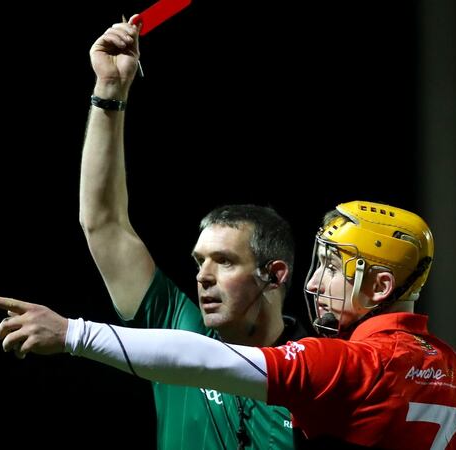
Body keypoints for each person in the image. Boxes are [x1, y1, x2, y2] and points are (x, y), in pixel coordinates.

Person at [0, 200, 456, 449]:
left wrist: (76, 333)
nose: (318, 281)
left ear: (382, 288)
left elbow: (201, 356)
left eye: (335, 266)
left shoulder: (350, 363)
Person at [79, 15, 304, 449]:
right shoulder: (180, 331)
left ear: (275, 275)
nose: (202, 277)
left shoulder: (320, 372)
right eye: (200, 261)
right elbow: (103, 222)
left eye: (225, 262)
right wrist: (110, 89)